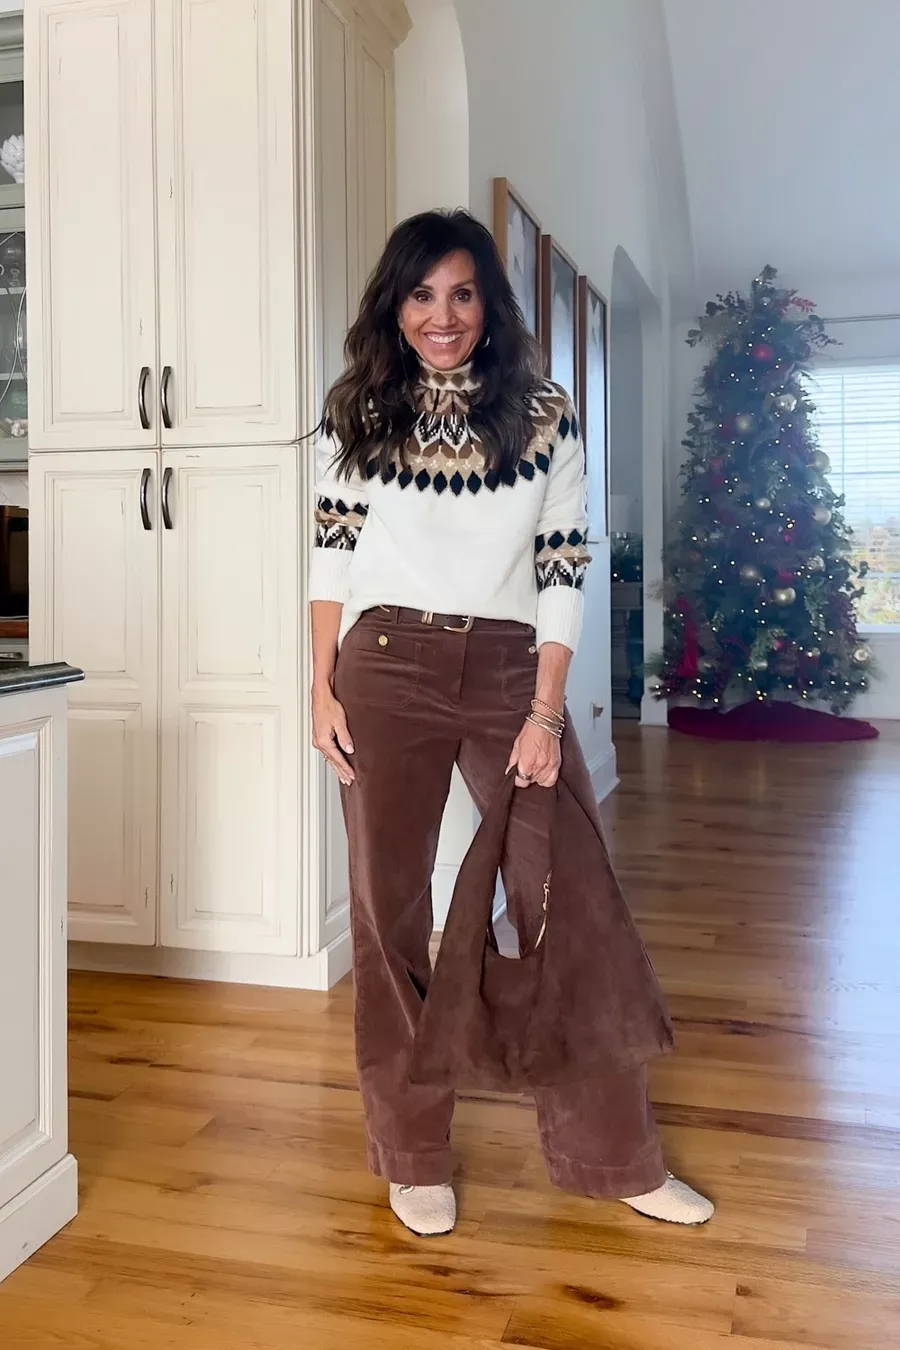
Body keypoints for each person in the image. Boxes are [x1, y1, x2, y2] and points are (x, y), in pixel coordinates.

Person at [309, 209, 713, 1237]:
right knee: (387, 909)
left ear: (489, 304)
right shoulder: (356, 411)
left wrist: (544, 708)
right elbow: (332, 556)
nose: (440, 316)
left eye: (460, 293)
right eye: (420, 295)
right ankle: (413, 1153)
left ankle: (613, 1155)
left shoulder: (544, 414)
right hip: (384, 664)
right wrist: (321, 684)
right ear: (393, 307)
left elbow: (562, 566)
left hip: (505, 666)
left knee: (564, 892)